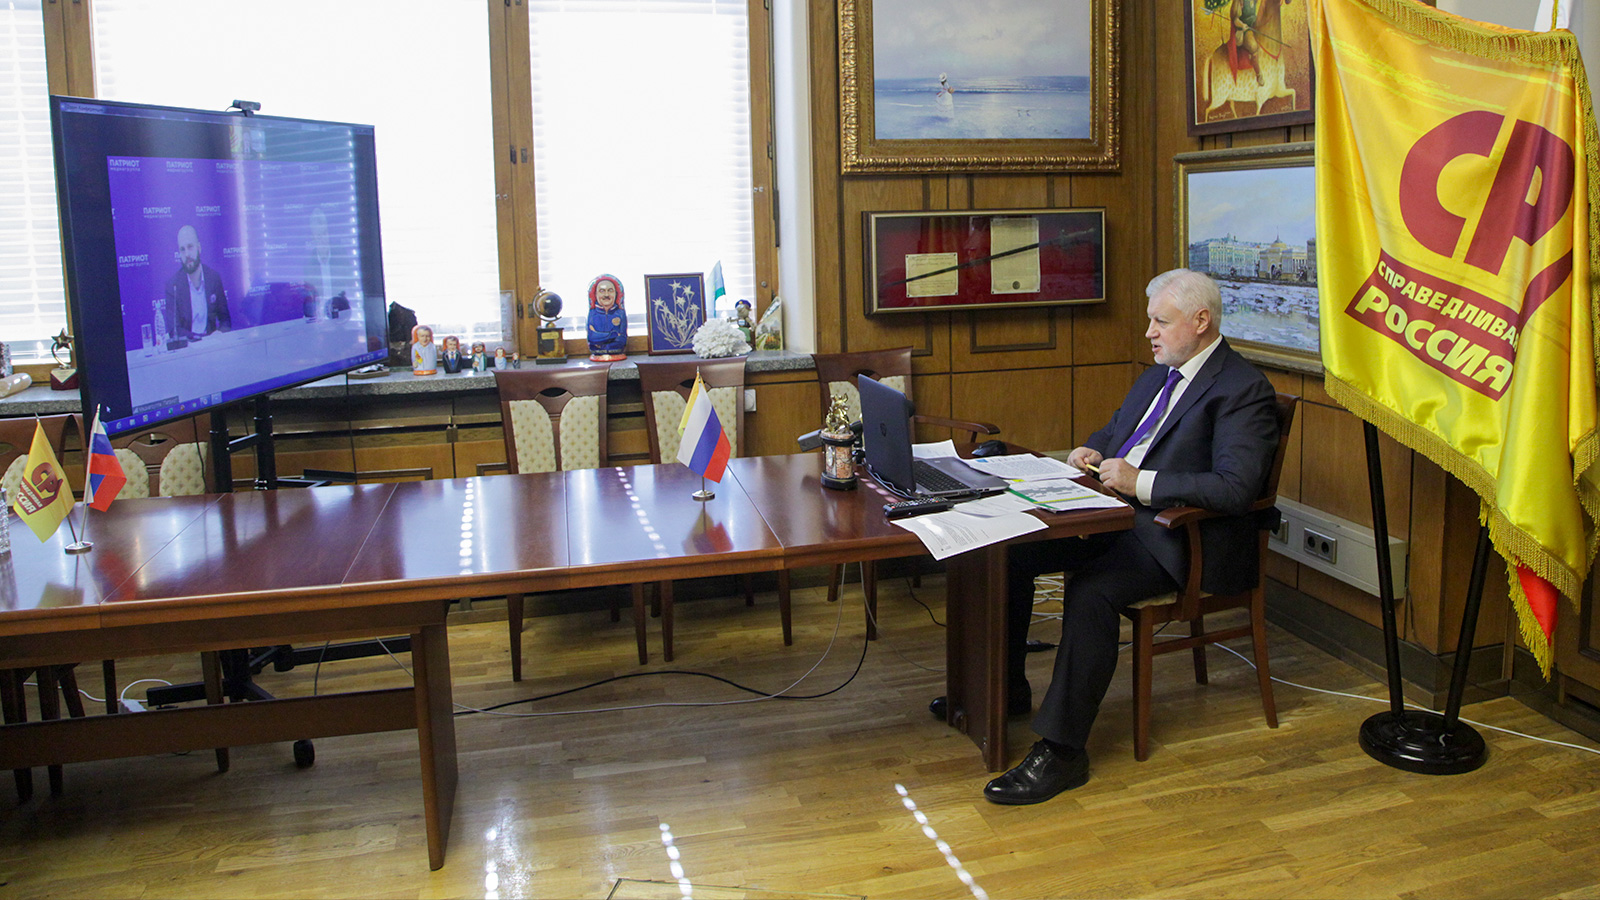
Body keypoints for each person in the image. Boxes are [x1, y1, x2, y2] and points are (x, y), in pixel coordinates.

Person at [976, 268, 1280, 806]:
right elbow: (1119, 432)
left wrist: (1142, 482)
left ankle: (1063, 751)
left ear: (1201, 321)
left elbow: (1235, 488)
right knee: (1012, 550)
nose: (1149, 332)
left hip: (1179, 540)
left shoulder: (1243, 389)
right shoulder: (1161, 373)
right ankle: (1007, 690)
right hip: (1116, 517)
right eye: (1150, 321)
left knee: (1092, 589)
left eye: (1161, 321)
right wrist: (1092, 450)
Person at [164, 224, 232, 340]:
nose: (187, 254)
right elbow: (173, 330)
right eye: (182, 249)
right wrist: (200, 339)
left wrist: (220, 333)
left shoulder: (214, 278)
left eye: (190, 247)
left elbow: (226, 320)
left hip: (213, 345)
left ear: (199, 248)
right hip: (188, 348)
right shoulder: (173, 285)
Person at [587, 274, 627, 362]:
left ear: (616, 294)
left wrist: (600, 341)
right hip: (596, 353)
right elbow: (592, 337)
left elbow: (621, 340)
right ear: (595, 294)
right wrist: (613, 335)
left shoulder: (620, 313)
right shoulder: (593, 314)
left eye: (610, 291)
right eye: (602, 291)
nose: (606, 294)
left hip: (617, 352)